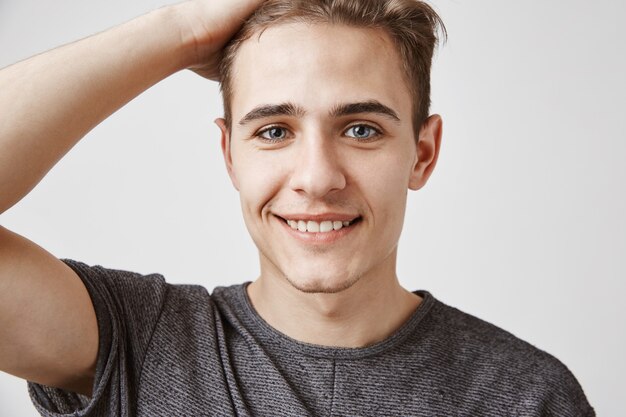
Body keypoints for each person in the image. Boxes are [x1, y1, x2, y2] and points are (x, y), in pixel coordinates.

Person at [0, 0, 595, 415]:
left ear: (422, 152)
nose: (316, 178)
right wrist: (182, 31)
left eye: (361, 130)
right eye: (275, 131)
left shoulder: (526, 397)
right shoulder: (138, 345)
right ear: (228, 152)